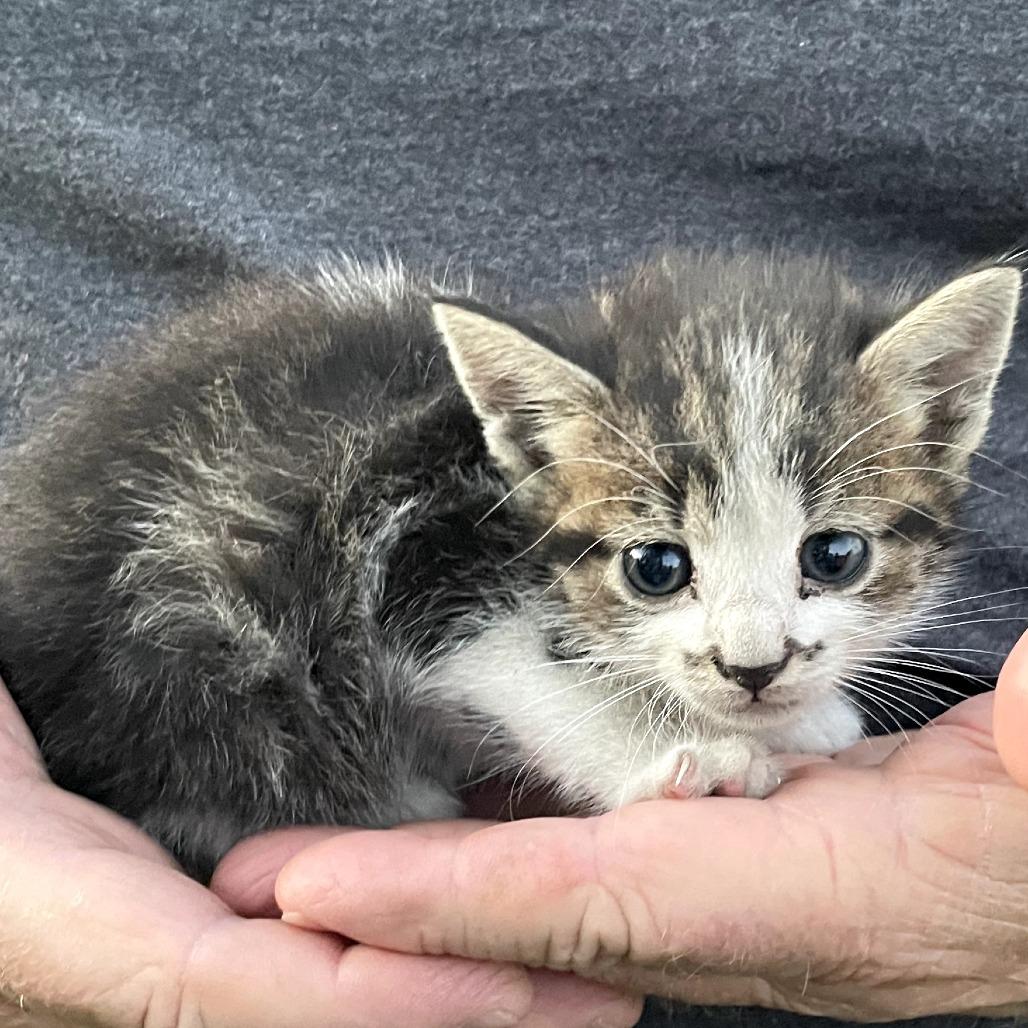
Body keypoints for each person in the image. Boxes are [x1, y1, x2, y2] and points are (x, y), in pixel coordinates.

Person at [4, 640, 1027, 1028]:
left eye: (830, 557)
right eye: (660, 562)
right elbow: (469, 627)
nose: (756, 649)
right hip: (141, 753)